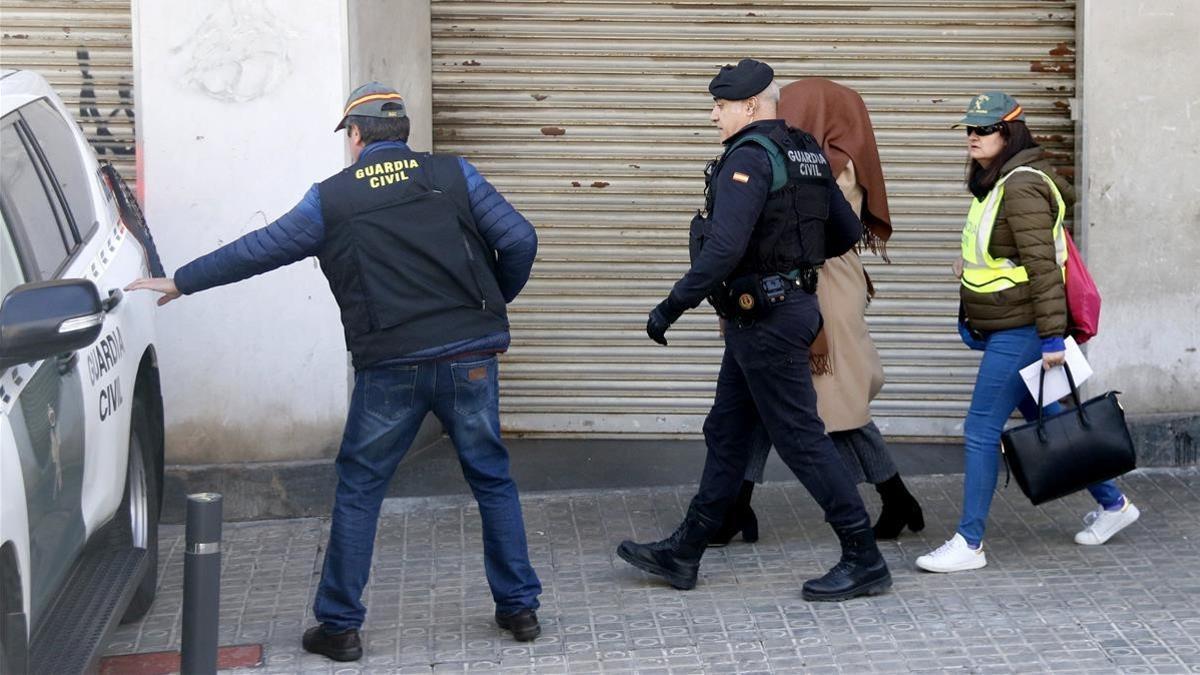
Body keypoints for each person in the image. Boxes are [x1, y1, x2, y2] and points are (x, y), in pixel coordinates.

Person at [125, 82, 543, 659]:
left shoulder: (334, 200)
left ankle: (340, 627)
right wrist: (491, 303)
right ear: (402, 133)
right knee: (491, 477)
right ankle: (520, 609)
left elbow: (260, 248)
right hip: (468, 358)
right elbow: (520, 238)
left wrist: (183, 279)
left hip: (390, 367)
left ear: (354, 137)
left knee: (361, 488)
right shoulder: (455, 175)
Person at [615, 59, 892, 602]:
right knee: (727, 430)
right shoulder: (809, 151)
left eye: (720, 106)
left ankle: (864, 556)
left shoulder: (748, 157)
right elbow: (846, 231)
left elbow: (722, 248)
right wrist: (794, 262)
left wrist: (671, 307)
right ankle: (686, 550)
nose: (714, 115)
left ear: (750, 105)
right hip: (774, 314)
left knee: (801, 439)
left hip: (766, 319)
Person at [915, 92, 1140, 573]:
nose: (973, 137)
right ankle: (1115, 504)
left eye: (984, 129)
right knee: (1051, 417)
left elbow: (1042, 267)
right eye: (969, 130)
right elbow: (1003, 256)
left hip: (1022, 328)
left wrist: (1053, 339)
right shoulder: (997, 184)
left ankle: (968, 542)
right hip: (1007, 323)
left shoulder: (1021, 186)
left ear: (1010, 131)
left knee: (980, 428)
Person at [708, 78, 924, 548]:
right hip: (801, 286)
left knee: (833, 404)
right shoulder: (813, 157)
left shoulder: (824, 166)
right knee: (763, 399)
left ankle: (893, 498)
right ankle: (734, 505)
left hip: (819, 286)